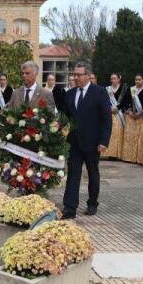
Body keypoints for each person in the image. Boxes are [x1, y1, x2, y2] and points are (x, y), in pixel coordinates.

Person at [56, 62, 112, 219]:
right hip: (74, 142)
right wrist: (56, 125)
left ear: (88, 75)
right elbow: (64, 116)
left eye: (79, 75)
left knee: (93, 173)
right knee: (73, 174)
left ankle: (92, 203)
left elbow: (106, 119)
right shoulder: (70, 94)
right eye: (74, 74)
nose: (76, 77)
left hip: (93, 143)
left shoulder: (99, 93)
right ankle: (70, 207)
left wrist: (104, 141)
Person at [102, 73, 130, 159]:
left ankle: (117, 154)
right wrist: (110, 108)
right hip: (110, 113)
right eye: (111, 79)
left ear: (119, 79)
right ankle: (110, 153)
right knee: (110, 134)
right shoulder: (107, 89)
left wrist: (117, 107)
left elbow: (126, 101)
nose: (113, 80)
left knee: (119, 134)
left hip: (120, 114)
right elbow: (104, 100)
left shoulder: (124, 89)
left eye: (114, 78)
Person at [121, 73, 143, 163]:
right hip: (131, 117)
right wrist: (129, 111)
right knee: (130, 138)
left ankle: (139, 158)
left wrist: (140, 113)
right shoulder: (131, 90)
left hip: (142, 118)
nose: (137, 81)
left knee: (140, 139)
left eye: (139, 79)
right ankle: (130, 157)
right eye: (136, 79)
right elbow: (124, 102)